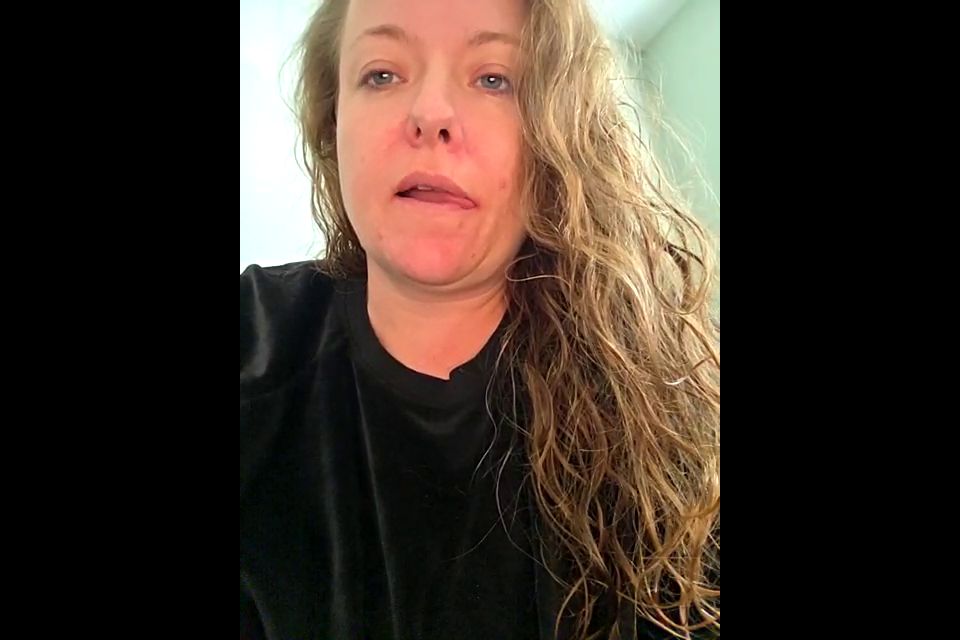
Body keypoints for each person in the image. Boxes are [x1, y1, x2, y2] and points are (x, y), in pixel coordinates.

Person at [240, 0, 719, 638]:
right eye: (382, 74)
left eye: (495, 79)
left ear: (558, 136)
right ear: (333, 125)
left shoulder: (669, 429)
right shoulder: (254, 343)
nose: (431, 113)